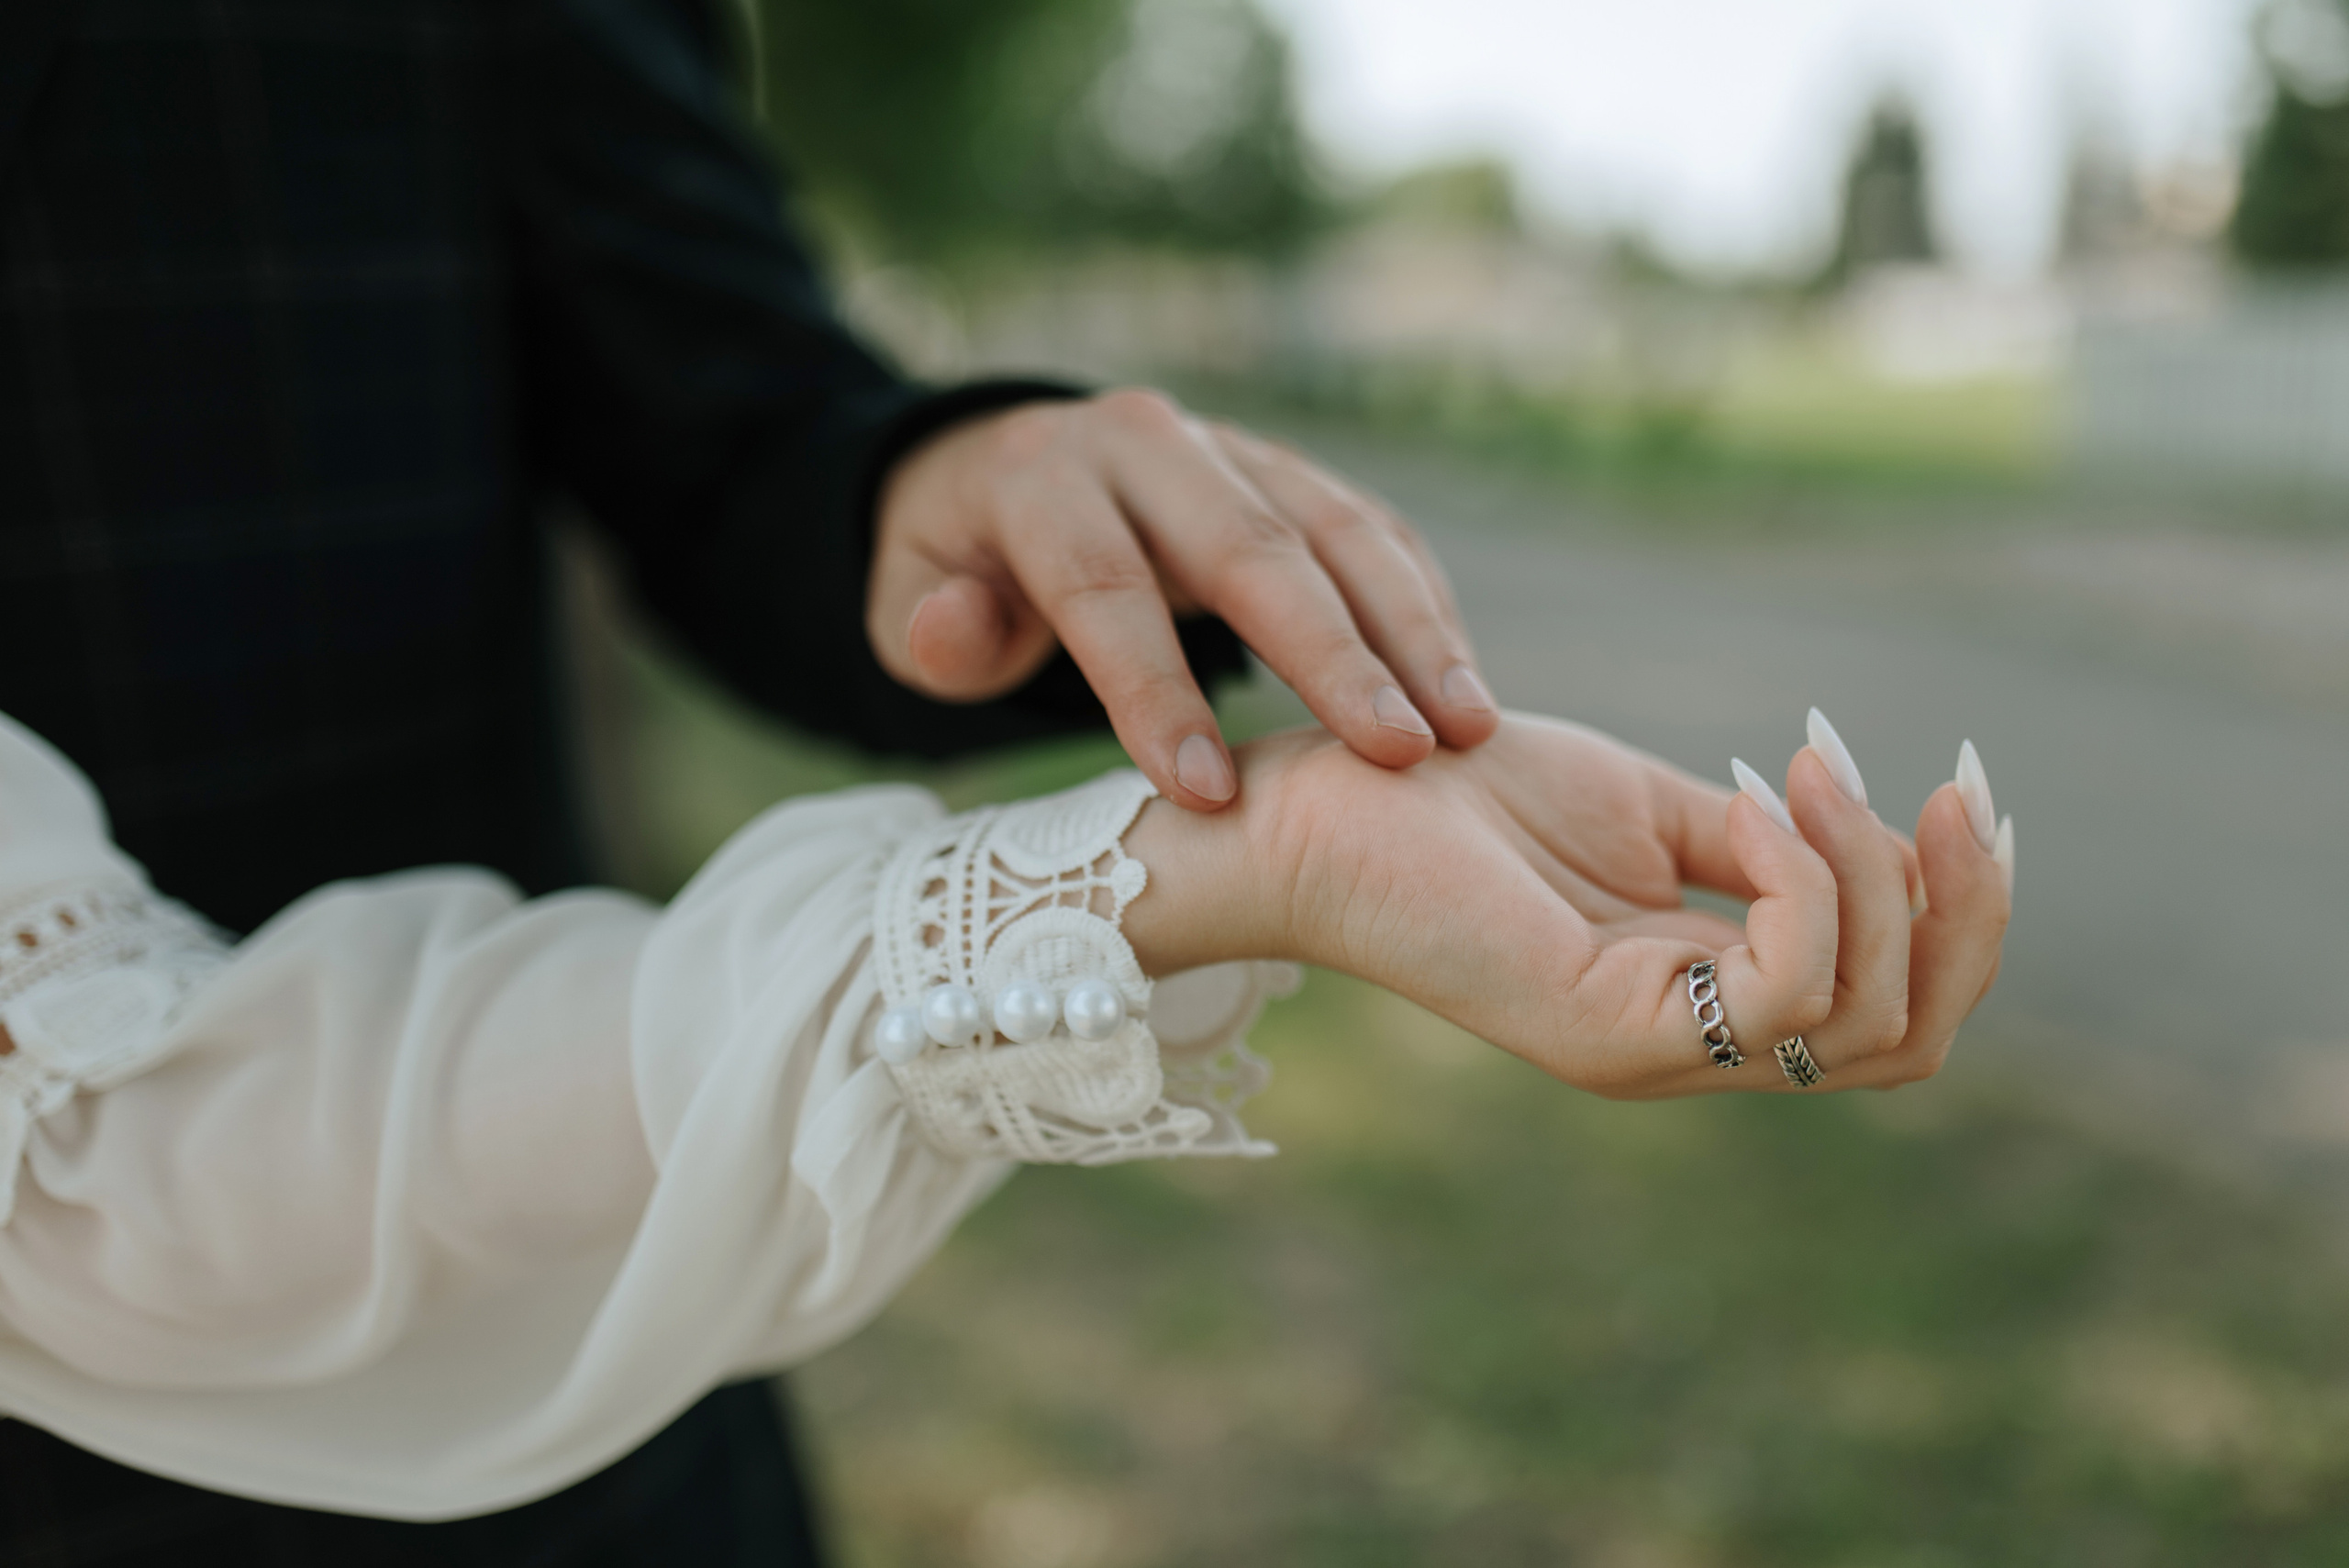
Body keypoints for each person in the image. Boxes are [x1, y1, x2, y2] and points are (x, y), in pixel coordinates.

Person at [0, 0, 2013, 1561]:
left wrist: (947, 488)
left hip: (607, 1392)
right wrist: (1226, 872)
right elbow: (132, 1162)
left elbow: (719, 414)